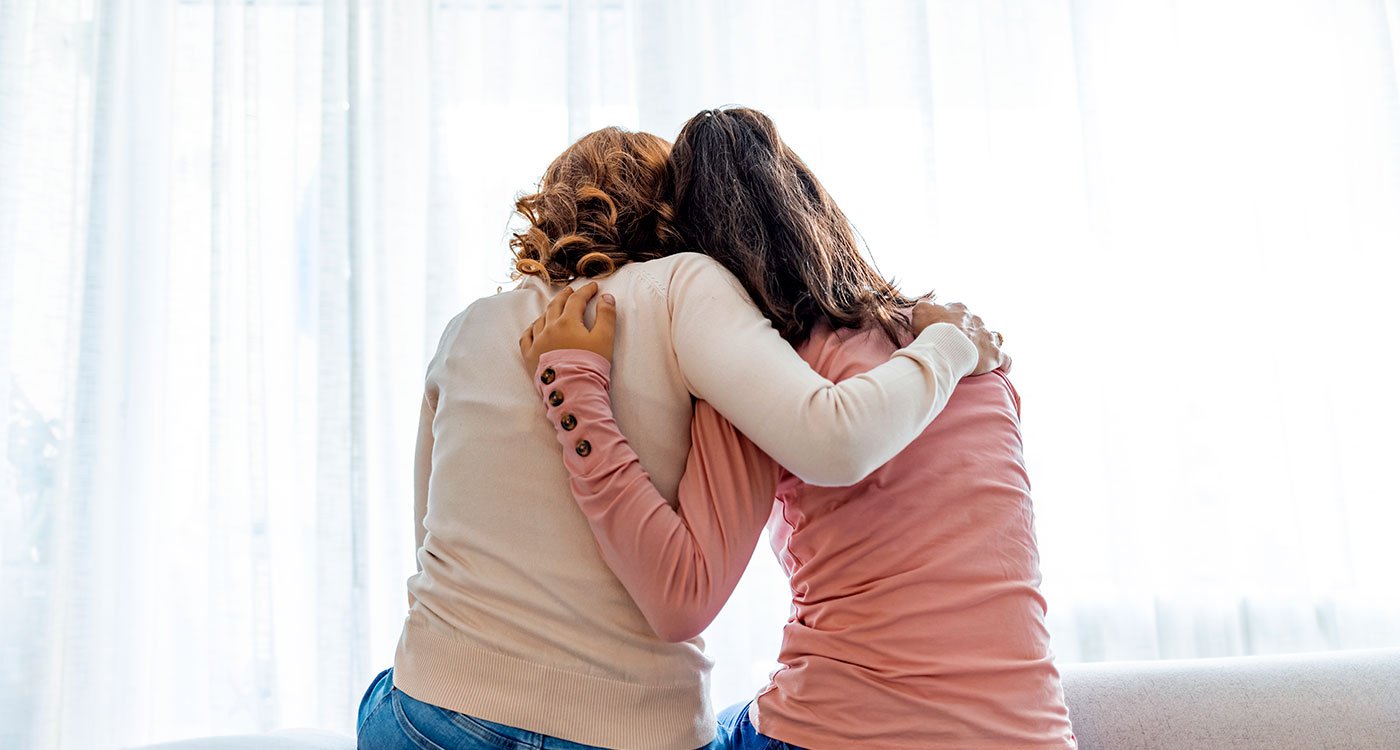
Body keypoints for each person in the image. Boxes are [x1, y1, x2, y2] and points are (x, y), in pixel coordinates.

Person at [356, 125, 1007, 749]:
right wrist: (945, 348)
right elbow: (828, 436)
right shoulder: (686, 284)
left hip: (433, 709)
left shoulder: (468, 327)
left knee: (388, 687)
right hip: (631, 730)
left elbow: (430, 540)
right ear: (671, 211)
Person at [519, 108, 1074, 749]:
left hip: (842, 732)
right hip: (1034, 735)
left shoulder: (765, 377)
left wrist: (578, 397)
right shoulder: (976, 360)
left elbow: (680, 597)